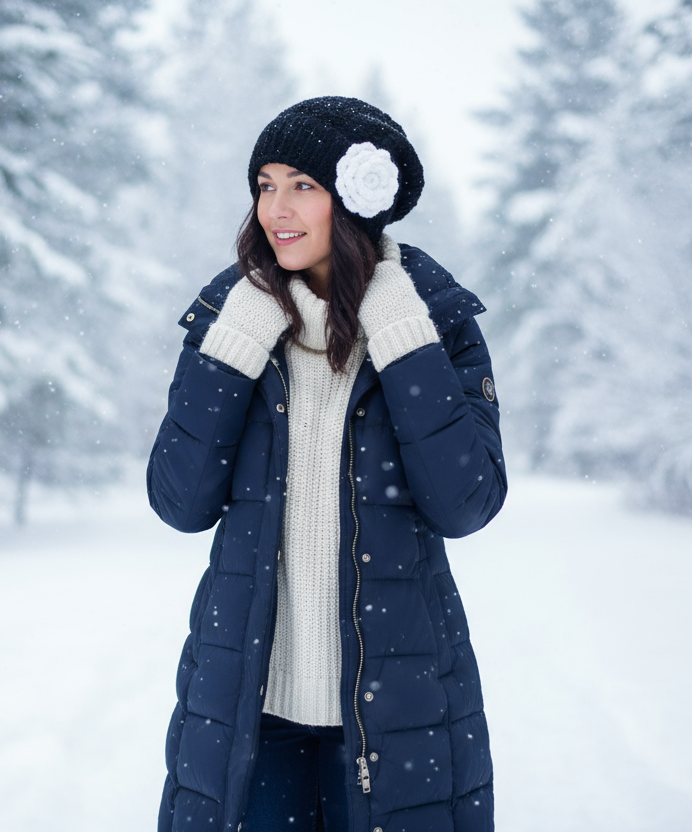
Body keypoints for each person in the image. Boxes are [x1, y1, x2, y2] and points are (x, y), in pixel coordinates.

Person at [147, 97, 507, 832]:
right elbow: (178, 501)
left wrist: (404, 335)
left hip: (395, 716)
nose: (275, 208)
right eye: (265, 184)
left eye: (302, 186)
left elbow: (466, 502)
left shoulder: (435, 324)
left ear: (358, 200)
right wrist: (235, 342)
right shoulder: (234, 322)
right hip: (250, 713)